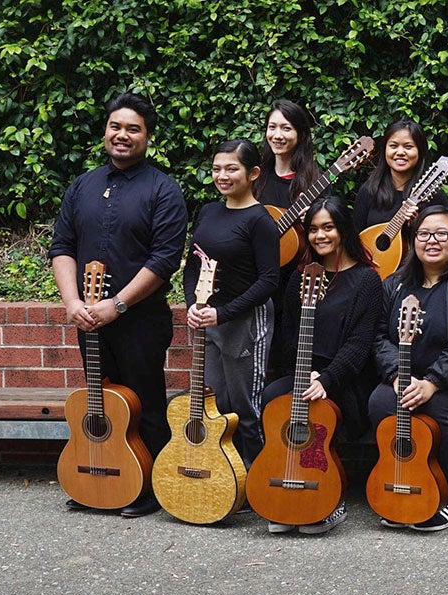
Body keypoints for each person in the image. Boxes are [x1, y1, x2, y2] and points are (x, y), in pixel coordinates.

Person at [50, 92, 187, 517]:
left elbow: (164, 260)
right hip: (88, 319)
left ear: (147, 137)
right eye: (116, 126)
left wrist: (119, 305)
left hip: (140, 320)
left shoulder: (163, 190)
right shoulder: (83, 185)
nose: (122, 135)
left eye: (133, 129)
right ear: (105, 130)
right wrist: (72, 302)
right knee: (101, 399)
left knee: (143, 402)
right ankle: (101, 474)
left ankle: (148, 487)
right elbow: (62, 246)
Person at [367, 206, 448, 531]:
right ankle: (403, 482)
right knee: (381, 402)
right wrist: (397, 374)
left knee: (437, 408)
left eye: (442, 234)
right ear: (413, 239)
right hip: (406, 375)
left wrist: (433, 382)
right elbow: (379, 335)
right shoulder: (395, 283)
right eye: (424, 234)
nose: (432, 241)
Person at [261, 196, 383, 534]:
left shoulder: (367, 281)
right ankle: (286, 486)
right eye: (313, 229)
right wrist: (300, 374)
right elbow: (287, 336)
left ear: (343, 230)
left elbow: (360, 344)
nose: (320, 236)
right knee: (273, 397)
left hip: (345, 380)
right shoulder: (301, 276)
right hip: (303, 372)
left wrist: (327, 378)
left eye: (328, 227)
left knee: (324, 412)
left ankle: (330, 497)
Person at [183, 139, 280, 473]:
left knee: (245, 408)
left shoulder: (260, 220)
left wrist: (222, 313)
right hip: (207, 320)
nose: (222, 175)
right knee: (215, 404)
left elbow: (269, 281)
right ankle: (226, 476)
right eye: (216, 168)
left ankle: (256, 478)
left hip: (245, 322)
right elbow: (193, 266)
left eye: (231, 168)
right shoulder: (209, 212)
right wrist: (192, 307)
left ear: (253, 173)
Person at [252, 99, 325, 378]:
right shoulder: (256, 177)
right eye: (272, 127)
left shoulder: (314, 182)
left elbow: (329, 237)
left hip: (295, 286)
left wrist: (312, 222)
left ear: (301, 135)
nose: (278, 135)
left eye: (286, 128)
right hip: (256, 281)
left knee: (286, 358)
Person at [351, 119, 448, 234]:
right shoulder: (369, 191)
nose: (400, 152)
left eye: (408, 147)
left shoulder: (433, 194)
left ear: (420, 151)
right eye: (393, 146)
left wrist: (419, 225)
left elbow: (447, 235)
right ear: (385, 150)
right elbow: (356, 239)